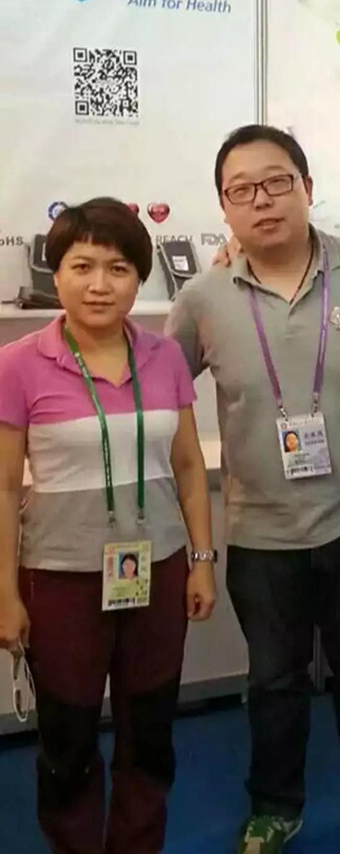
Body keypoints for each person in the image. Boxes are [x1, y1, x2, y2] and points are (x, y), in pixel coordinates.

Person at [166, 124, 340, 854]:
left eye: (277, 181)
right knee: (275, 682)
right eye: (242, 189)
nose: (262, 200)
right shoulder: (203, 298)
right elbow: (157, 392)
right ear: (224, 207)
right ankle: (274, 806)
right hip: (260, 527)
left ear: (308, 188)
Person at [0, 197, 218, 854]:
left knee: (149, 731)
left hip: (159, 570)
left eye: (119, 268)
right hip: (60, 577)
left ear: (138, 278)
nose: (100, 284)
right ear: (56, 272)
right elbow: (4, 487)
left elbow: (188, 464)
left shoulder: (165, 357)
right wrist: (5, 593)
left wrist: (202, 560)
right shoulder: (18, 363)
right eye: (82, 265)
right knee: (67, 737)